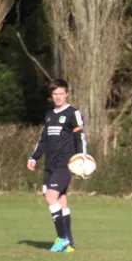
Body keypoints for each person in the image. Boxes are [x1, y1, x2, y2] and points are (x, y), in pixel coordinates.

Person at [26, 79, 88, 252]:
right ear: (51, 96)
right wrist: (33, 158)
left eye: (61, 94)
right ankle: (70, 243)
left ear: (67, 94)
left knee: (50, 197)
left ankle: (62, 238)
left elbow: (80, 137)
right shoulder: (49, 115)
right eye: (55, 94)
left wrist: (82, 156)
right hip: (50, 165)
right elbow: (43, 140)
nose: (58, 97)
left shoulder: (73, 113)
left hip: (65, 164)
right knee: (60, 200)